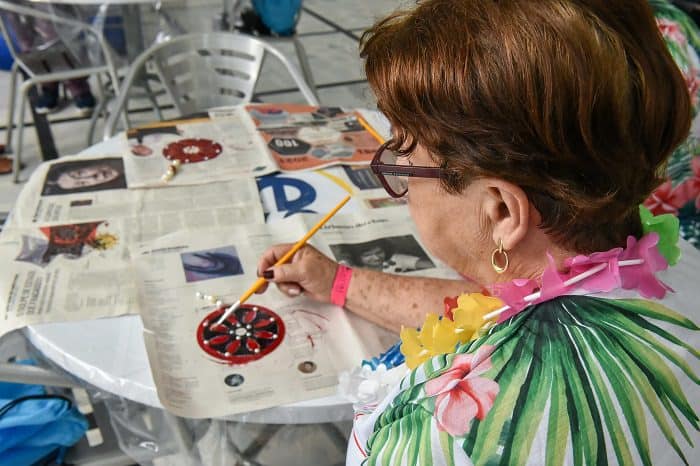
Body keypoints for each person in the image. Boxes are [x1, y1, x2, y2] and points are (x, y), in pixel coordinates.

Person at [256, 0, 700, 463]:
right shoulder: (671, 262)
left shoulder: (440, 433)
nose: (400, 186)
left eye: (405, 161)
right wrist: (338, 282)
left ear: (503, 211)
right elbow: (504, 310)